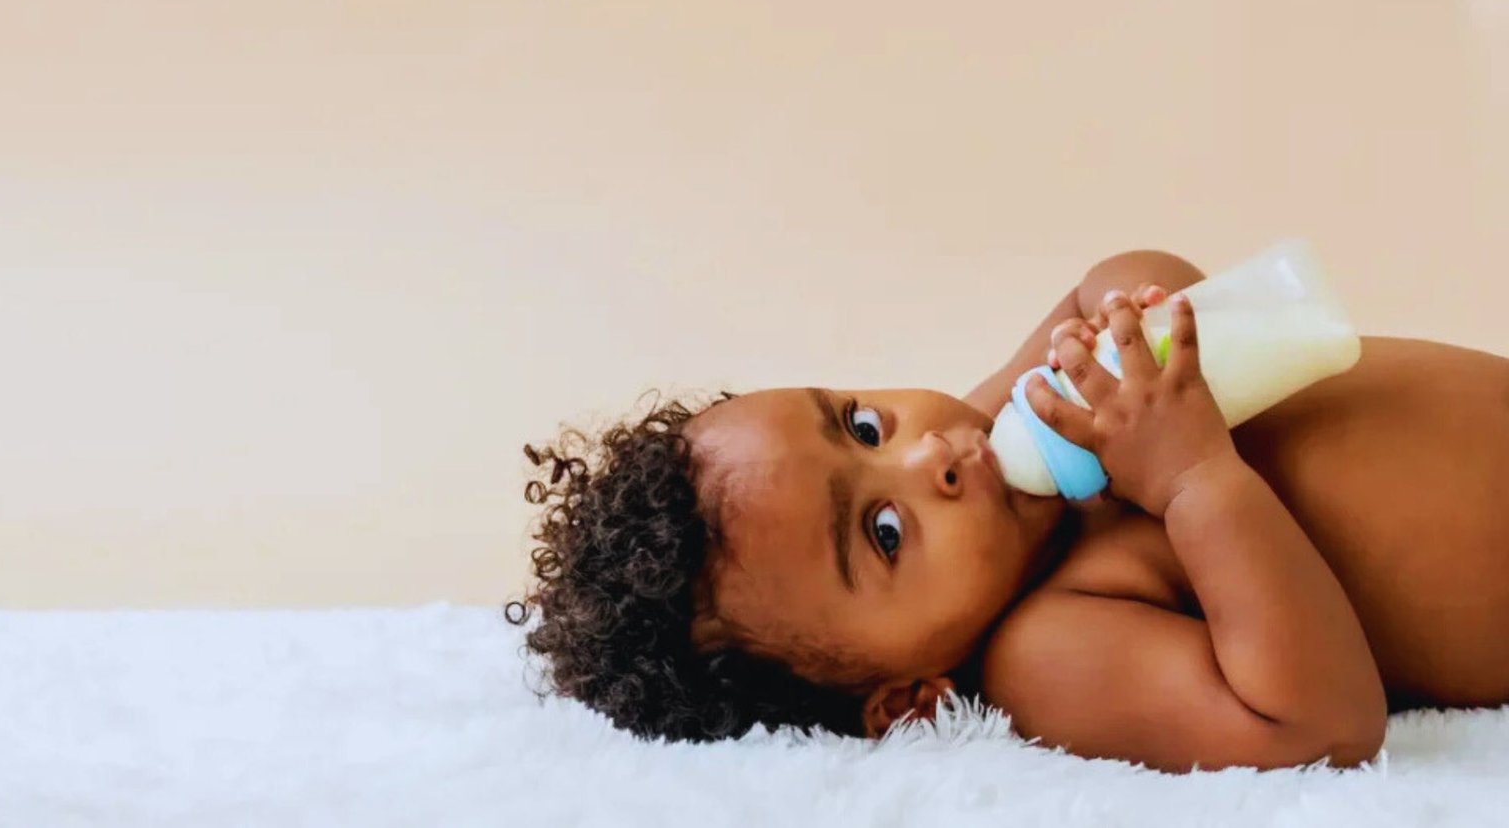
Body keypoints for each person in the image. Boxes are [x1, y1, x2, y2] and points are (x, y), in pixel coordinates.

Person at [504, 249, 1509, 772]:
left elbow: (1120, 273)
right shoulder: (1051, 646)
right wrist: (1193, 479)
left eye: (860, 424)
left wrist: (1129, 323)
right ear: (905, 698)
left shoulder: (1010, 427)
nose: (928, 457)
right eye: (884, 534)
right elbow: (1317, 726)